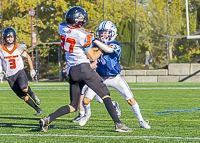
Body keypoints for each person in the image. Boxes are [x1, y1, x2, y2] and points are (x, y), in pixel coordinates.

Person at [39, 6, 132, 132]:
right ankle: (118, 124)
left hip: (72, 71)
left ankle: (48, 119)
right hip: (84, 68)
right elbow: (92, 56)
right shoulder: (83, 34)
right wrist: (102, 48)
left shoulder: (62, 28)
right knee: (105, 93)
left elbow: (73, 33)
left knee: (73, 106)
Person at [78, 20, 151, 129]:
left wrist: (94, 40)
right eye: (101, 32)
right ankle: (87, 114)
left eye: (105, 32)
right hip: (99, 77)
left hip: (114, 77)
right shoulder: (96, 43)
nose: (103, 34)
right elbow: (88, 53)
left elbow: (107, 49)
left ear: (112, 33)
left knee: (130, 99)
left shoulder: (115, 44)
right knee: (86, 100)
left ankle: (141, 121)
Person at [0, 27, 42, 116]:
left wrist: (32, 69)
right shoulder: (1, 49)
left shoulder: (18, 47)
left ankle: (32, 93)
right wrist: (1, 72)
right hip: (9, 76)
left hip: (19, 72)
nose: (10, 39)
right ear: (4, 38)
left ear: (14, 37)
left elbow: (28, 57)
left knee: (24, 87)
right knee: (22, 96)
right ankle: (38, 109)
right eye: (8, 37)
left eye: (11, 37)